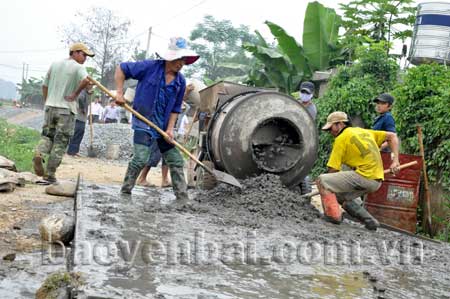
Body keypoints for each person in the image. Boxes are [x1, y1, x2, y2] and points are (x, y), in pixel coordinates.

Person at [114, 37, 199, 202]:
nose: (181, 63)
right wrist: (119, 93)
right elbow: (121, 69)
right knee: (140, 158)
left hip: (162, 127)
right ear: (169, 57)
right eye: (178, 59)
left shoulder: (180, 81)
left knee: (175, 160)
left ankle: (182, 199)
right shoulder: (149, 67)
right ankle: (125, 193)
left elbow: (175, 108)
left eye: (183, 59)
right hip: (143, 122)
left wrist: (169, 129)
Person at [316, 111, 400, 230]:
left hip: (364, 176)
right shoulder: (363, 131)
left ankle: (332, 216)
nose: (330, 132)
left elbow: (333, 170)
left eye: (331, 128)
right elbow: (392, 136)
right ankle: (369, 220)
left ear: (340, 124)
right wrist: (395, 160)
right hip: (376, 181)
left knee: (322, 180)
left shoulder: (341, 138)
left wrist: (324, 185)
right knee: (339, 195)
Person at [33, 42, 94, 183]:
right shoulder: (78, 67)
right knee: (60, 142)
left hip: (50, 107)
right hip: (66, 110)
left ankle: (39, 152)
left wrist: (47, 101)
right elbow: (87, 80)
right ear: (75, 52)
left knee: (47, 136)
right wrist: (74, 94)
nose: (85, 58)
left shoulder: (55, 64)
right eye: (84, 55)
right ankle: (49, 175)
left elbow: (44, 85)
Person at [297, 81, 317, 195]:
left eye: (307, 93)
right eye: (302, 92)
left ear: (312, 94)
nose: (304, 94)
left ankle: (302, 184)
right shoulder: (295, 103)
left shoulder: (312, 109)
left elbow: (306, 125)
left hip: (303, 138)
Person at [67, 84, 94, 156]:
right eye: (90, 85)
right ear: (86, 85)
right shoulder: (82, 91)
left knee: (80, 134)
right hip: (79, 116)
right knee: (77, 133)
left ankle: (75, 151)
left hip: (82, 118)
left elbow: (86, 101)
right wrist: (83, 109)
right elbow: (80, 99)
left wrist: (89, 94)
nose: (91, 87)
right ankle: (71, 151)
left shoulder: (86, 92)